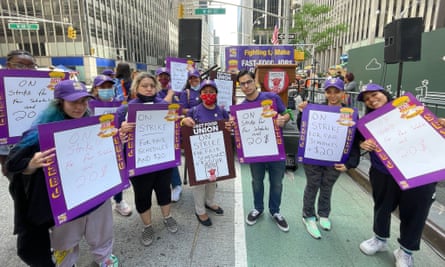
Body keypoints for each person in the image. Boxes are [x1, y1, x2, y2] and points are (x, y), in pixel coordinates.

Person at [7, 80, 119, 267]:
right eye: (73, 102)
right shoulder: (40, 133)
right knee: (65, 239)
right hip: (64, 201)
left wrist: (118, 140)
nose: (79, 107)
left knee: (102, 230)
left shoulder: (94, 125)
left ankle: (104, 257)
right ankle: (66, 263)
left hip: (96, 191)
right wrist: (31, 164)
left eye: (84, 101)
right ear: (60, 103)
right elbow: (12, 163)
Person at [357, 83, 440, 267]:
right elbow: (359, 141)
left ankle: (406, 251)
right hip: (383, 172)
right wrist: (363, 144)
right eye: (367, 98)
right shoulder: (368, 122)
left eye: (374, 94)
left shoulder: (409, 108)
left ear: (385, 93)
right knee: (382, 206)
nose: (371, 100)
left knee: (416, 211)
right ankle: (379, 240)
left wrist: (439, 124)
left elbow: (432, 129)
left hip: (418, 171)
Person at [117, 72, 178, 246]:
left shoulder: (165, 106)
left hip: (162, 159)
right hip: (139, 162)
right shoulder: (125, 109)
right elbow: (114, 137)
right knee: (142, 194)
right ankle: (147, 225)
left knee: (164, 190)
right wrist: (122, 130)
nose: (149, 89)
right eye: (144, 85)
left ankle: (167, 217)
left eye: (152, 85)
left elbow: (174, 127)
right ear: (136, 88)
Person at [297, 78, 360, 239]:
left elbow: (354, 140)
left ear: (343, 93)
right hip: (313, 156)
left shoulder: (350, 114)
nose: (332, 95)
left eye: (336, 91)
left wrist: (350, 163)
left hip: (336, 159)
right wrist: (301, 113)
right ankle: (308, 216)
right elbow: (302, 127)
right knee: (313, 185)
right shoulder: (315, 110)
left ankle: (324, 214)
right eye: (329, 92)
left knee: (327, 186)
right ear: (324, 93)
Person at [233, 70, 292, 232]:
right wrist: (232, 124)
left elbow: (288, 113)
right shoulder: (241, 108)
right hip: (255, 153)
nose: (246, 86)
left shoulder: (272, 98)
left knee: (277, 183)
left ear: (255, 81)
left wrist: (283, 119)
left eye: (249, 82)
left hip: (275, 150)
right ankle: (258, 208)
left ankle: (275, 211)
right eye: (242, 84)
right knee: (257, 181)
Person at [181, 80, 228, 226]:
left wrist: (230, 125)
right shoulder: (194, 111)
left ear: (216, 94)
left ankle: (210, 202)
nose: (208, 94)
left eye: (211, 91)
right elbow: (184, 126)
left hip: (215, 152)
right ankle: (200, 210)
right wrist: (184, 121)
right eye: (205, 92)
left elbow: (228, 126)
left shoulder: (221, 111)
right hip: (198, 155)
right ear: (200, 94)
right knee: (200, 183)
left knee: (213, 179)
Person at [91, 75, 133, 217]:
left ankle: (119, 201)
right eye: (103, 87)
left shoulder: (119, 105)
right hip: (95, 148)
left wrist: (121, 132)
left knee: (118, 171)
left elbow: (122, 124)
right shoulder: (89, 105)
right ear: (95, 89)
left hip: (117, 144)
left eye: (109, 87)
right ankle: (98, 204)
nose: (106, 90)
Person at [0, 50, 37, 177]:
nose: (26, 69)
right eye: (20, 65)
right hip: (10, 151)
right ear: (8, 65)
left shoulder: (43, 88)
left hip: (36, 149)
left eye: (31, 66)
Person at [155, 67, 183, 202]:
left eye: (166, 76)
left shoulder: (176, 91)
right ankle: (166, 186)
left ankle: (177, 185)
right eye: (161, 76)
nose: (163, 79)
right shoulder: (154, 92)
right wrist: (170, 95)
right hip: (157, 131)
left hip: (172, 130)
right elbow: (159, 108)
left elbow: (180, 108)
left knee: (171, 158)